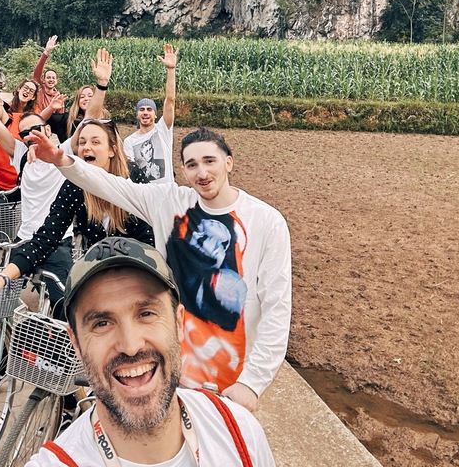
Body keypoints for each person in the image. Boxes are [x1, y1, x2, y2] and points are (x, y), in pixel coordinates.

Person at [28, 127, 291, 412]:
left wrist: (252, 382)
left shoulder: (266, 222)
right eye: (192, 165)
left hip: (230, 381)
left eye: (209, 161)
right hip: (171, 368)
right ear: (183, 170)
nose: (202, 172)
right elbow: (110, 185)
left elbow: (276, 307)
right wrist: (63, 161)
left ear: (228, 162)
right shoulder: (171, 202)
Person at [25, 236, 275, 467]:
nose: (131, 345)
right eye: (102, 323)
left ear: (178, 323)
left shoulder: (240, 433)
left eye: (146, 314)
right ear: (77, 343)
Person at [0, 115, 154, 317]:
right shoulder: (75, 185)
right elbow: (47, 236)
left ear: (112, 149)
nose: (86, 147)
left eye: (95, 142)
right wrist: (4, 276)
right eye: (82, 142)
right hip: (103, 276)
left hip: (141, 278)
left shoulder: (133, 177)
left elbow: (151, 240)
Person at [123, 43, 178, 184]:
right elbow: (130, 171)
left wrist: (171, 70)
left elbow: (170, 100)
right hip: (145, 197)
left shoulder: (162, 130)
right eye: (141, 109)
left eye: (149, 109)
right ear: (137, 115)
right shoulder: (130, 142)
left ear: (155, 115)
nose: (145, 112)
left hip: (168, 193)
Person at [33, 34, 69, 141]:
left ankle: (66, 146)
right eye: (48, 77)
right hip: (37, 118)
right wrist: (46, 53)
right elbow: (37, 73)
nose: (51, 79)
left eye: (53, 78)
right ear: (44, 80)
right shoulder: (40, 88)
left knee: (66, 119)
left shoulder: (58, 96)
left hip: (51, 122)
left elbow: (60, 118)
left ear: (56, 81)